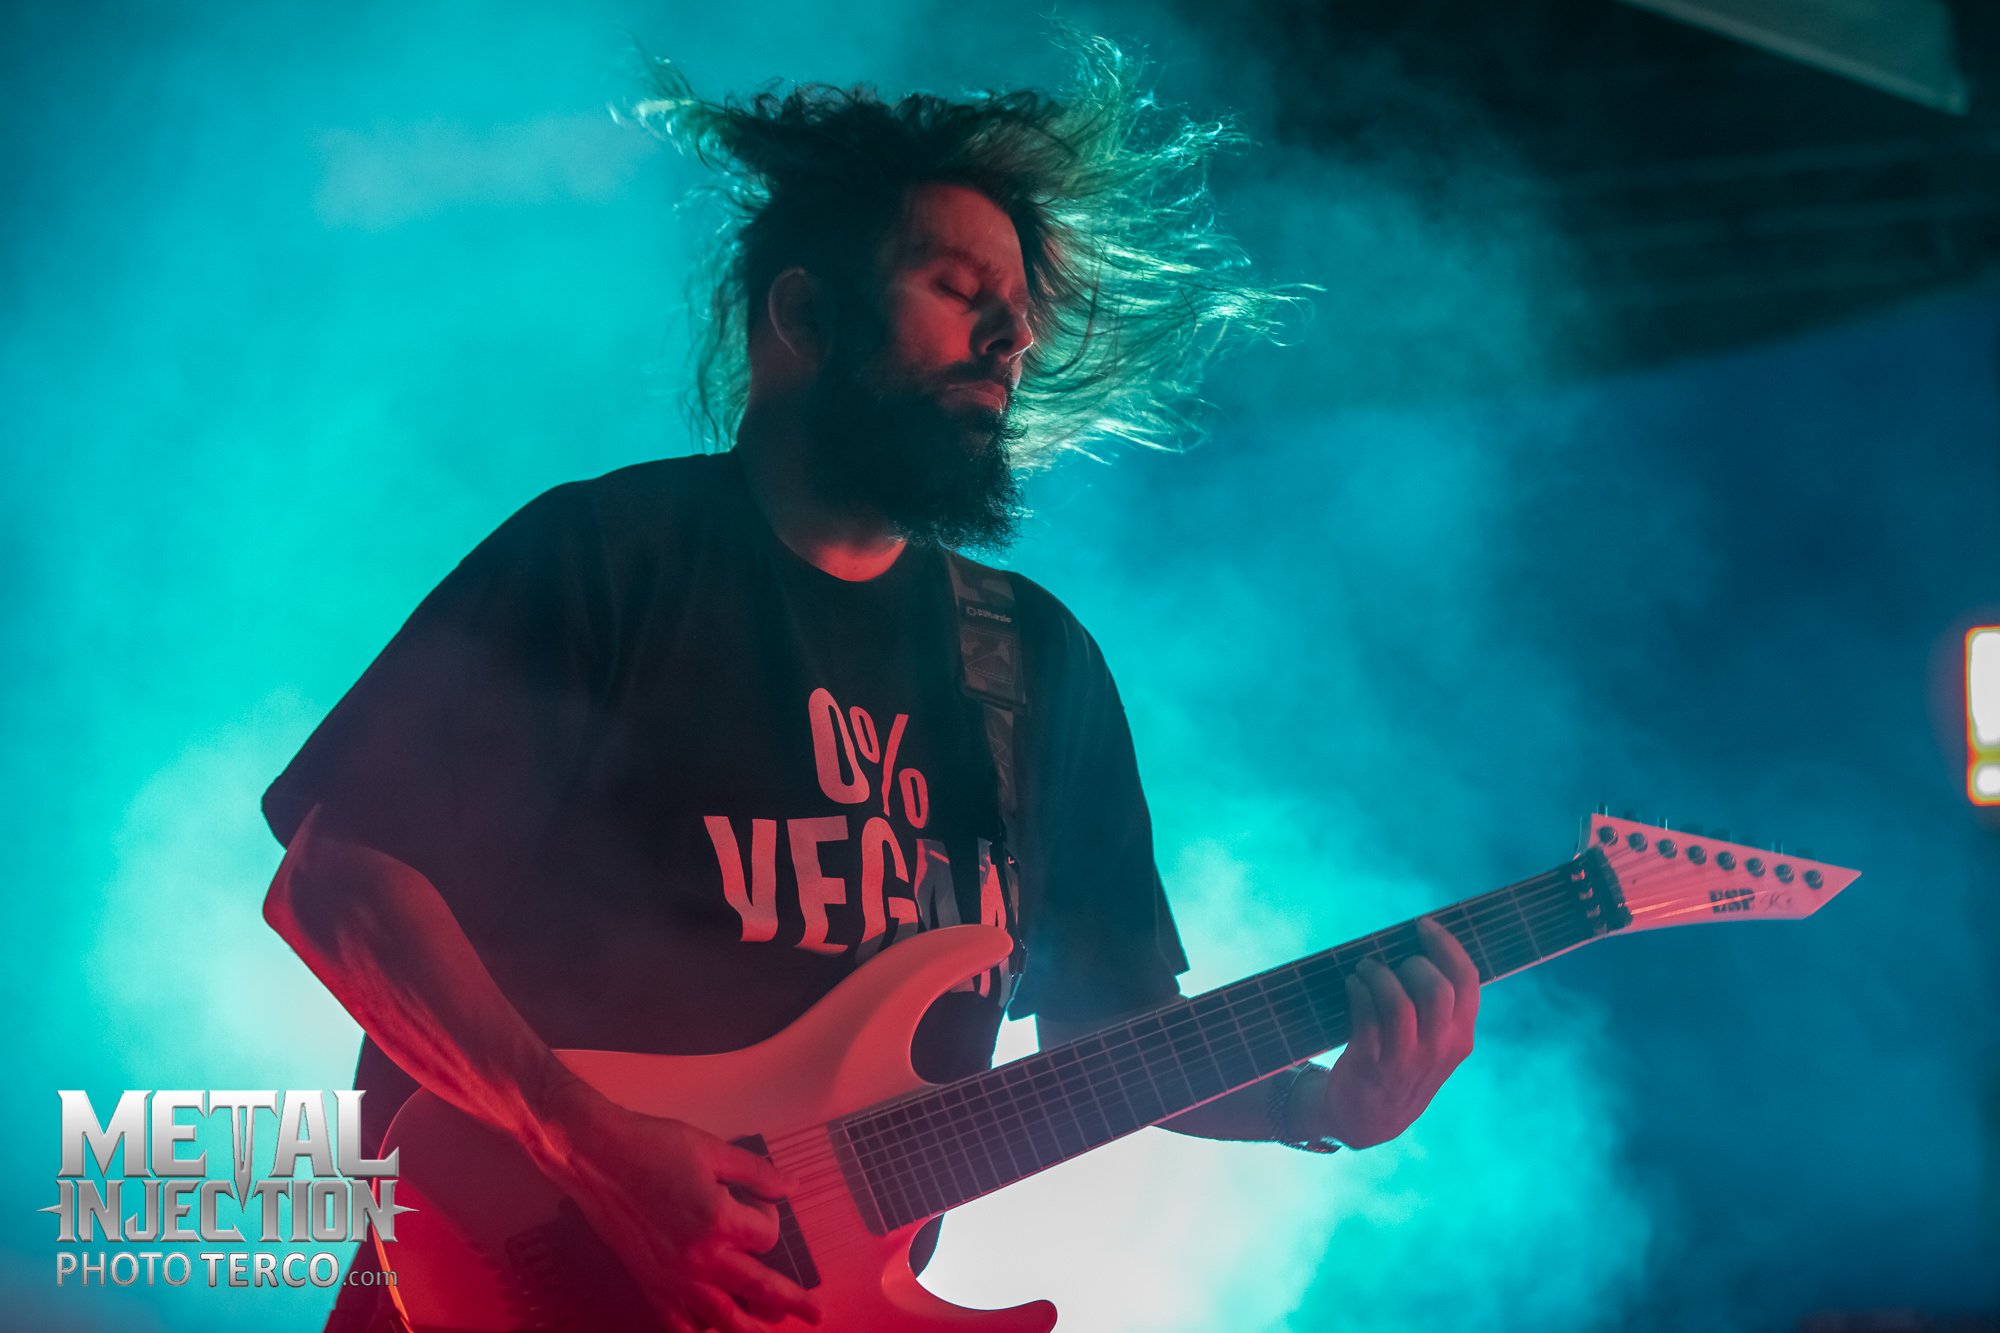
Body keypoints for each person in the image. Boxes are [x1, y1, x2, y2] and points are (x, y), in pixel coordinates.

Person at [261, 38, 1481, 1333]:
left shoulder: (1038, 663)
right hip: (513, 1279)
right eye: (960, 288)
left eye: (1019, 312)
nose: (1010, 335)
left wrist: (1315, 1108)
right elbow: (339, 886)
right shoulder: (608, 555)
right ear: (804, 318)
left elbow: (1105, 1027)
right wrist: (594, 1146)